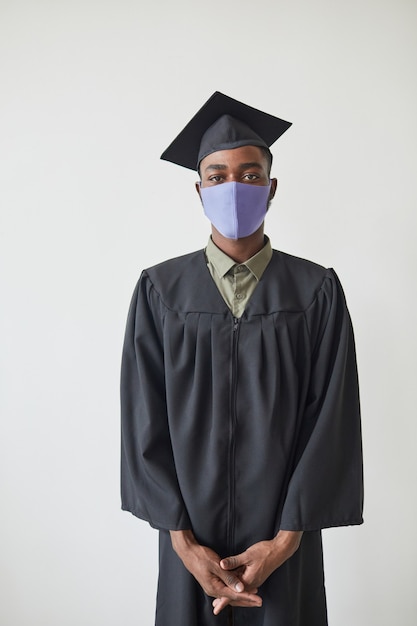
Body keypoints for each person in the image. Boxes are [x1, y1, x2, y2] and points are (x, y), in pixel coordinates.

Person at [121, 91, 363, 626]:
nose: (234, 187)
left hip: (282, 541)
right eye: (217, 175)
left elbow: (332, 421)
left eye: (250, 175)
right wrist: (183, 544)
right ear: (199, 190)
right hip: (192, 543)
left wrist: (283, 543)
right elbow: (144, 422)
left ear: (272, 188)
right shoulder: (160, 292)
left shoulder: (315, 291)